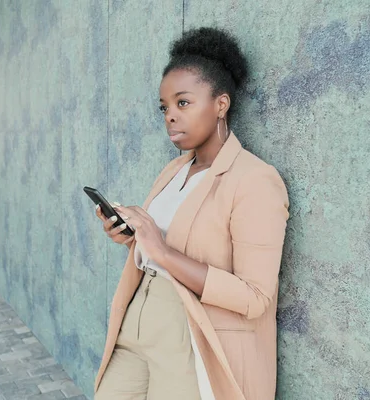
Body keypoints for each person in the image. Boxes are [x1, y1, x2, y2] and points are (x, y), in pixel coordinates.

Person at [93, 27, 289, 400]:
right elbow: (167, 242)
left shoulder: (255, 180)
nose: (169, 116)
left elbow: (255, 297)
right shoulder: (173, 171)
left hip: (192, 332)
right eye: (164, 107)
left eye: (183, 103)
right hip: (136, 319)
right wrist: (133, 238)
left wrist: (163, 251)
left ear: (220, 104)